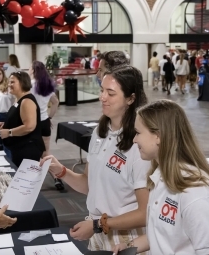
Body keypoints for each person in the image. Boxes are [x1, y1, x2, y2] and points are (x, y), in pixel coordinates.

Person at [40, 65, 150, 253]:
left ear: (131, 98)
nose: (102, 97)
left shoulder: (139, 145)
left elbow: (145, 213)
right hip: (99, 229)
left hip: (125, 237)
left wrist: (98, 224)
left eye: (111, 93)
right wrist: (61, 171)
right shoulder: (100, 133)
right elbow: (88, 185)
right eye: (101, 90)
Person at [113, 99, 209, 255]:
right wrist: (130, 246)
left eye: (138, 133)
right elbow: (163, 234)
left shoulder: (196, 194)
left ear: (158, 136)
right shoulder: (159, 178)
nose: (134, 140)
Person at [0, 71, 45, 167]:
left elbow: (29, 127)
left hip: (27, 150)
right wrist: (6, 123)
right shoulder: (19, 99)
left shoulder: (26, 101)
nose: (9, 85)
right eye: (9, 82)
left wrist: (9, 132)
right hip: (19, 148)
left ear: (22, 83)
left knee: (25, 180)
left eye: (12, 82)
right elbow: (20, 118)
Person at [29, 61, 62, 190]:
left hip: (32, 122)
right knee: (46, 153)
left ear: (33, 70)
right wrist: (49, 117)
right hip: (44, 122)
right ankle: (56, 177)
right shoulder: (47, 85)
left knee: (32, 152)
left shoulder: (29, 85)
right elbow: (55, 102)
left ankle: (34, 181)